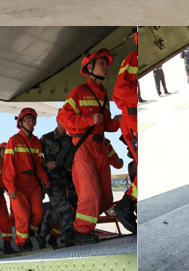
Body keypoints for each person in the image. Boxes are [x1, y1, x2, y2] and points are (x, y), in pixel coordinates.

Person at [56, 49, 121, 245]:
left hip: (100, 149)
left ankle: (86, 226)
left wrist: (117, 121)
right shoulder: (79, 91)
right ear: (89, 67)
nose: (105, 66)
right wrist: (89, 119)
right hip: (83, 149)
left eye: (106, 63)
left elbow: (106, 125)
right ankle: (82, 232)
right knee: (90, 194)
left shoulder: (104, 95)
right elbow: (63, 118)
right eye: (101, 62)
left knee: (106, 197)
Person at [3, 108, 50, 251]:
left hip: (32, 182)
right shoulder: (13, 141)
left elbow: (38, 164)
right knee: (22, 215)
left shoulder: (36, 141)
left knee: (38, 212)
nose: (31, 123)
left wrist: (44, 178)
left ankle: (27, 234)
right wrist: (11, 187)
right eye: (28, 120)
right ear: (20, 122)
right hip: (18, 183)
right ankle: (22, 243)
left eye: (32, 120)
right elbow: (8, 166)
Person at [111, 34, 138, 235]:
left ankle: (130, 202)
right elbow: (119, 92)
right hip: (132, 119)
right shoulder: (133, 58)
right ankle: (127, 203)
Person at [38, 121, 78, 248]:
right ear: (57, 120)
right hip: (52, 179)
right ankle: (68, 238)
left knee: (56, 210)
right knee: (63, 206)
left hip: (68, 179)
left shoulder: (70, 139)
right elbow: (37, 157)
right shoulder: (46, 138)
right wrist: (46, 164)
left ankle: (42, 235)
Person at [0, 142, 16, 253]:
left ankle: (7, 246)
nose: (6, 153)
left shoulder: (8, 166)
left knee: (5, 220)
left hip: (0, 196)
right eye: (3, 151)